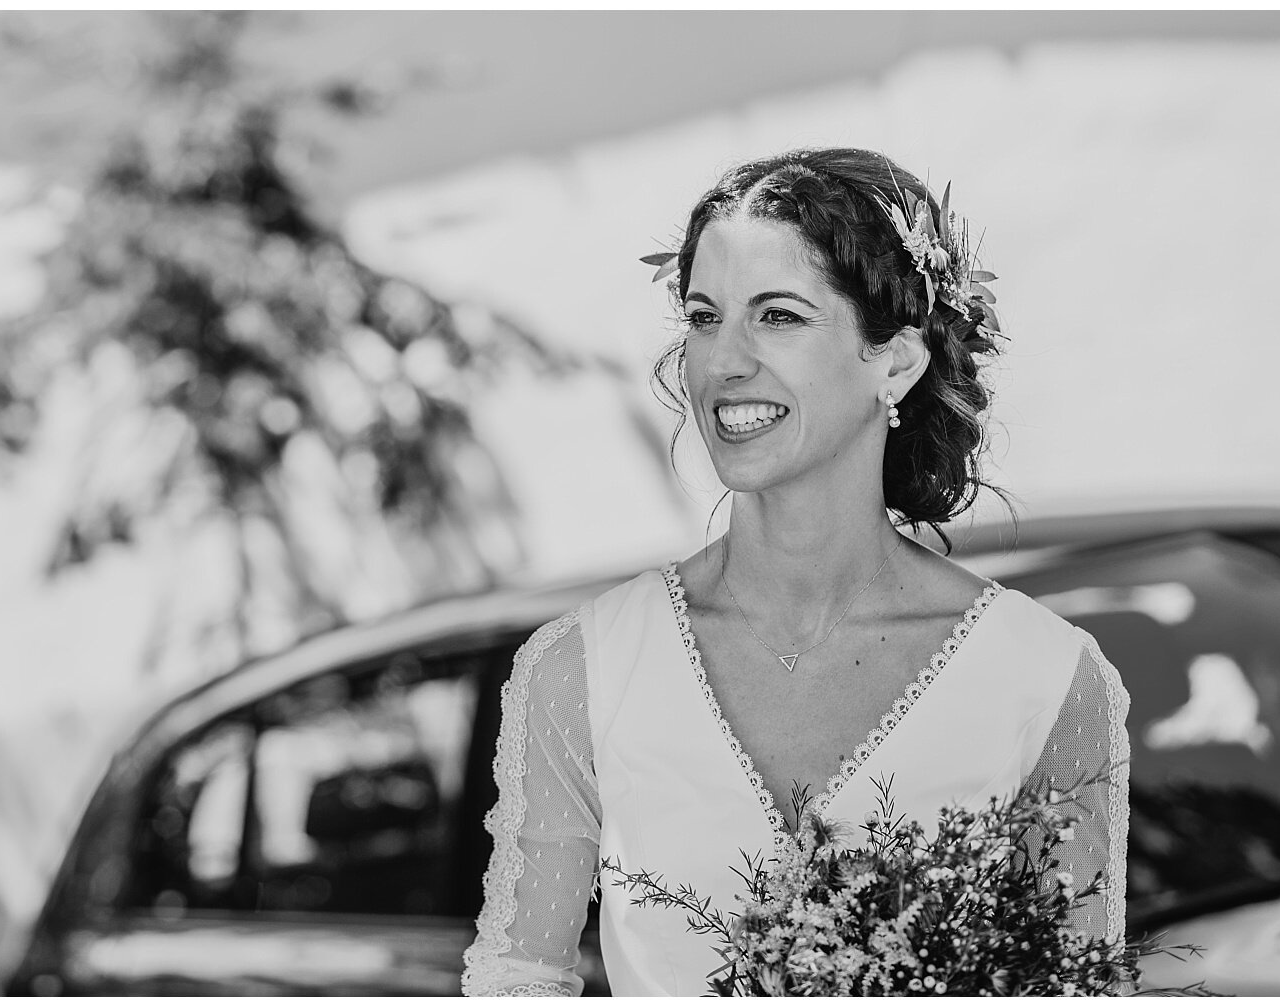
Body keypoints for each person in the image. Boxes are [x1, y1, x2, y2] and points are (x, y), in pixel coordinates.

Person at [460, 148, 1130, 996]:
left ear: (895, 360)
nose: (723, 361)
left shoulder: (1047, 678)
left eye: (777, 315)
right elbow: (520, 974)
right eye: (705, 317)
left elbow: (1079, 988)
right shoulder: (581, 668)